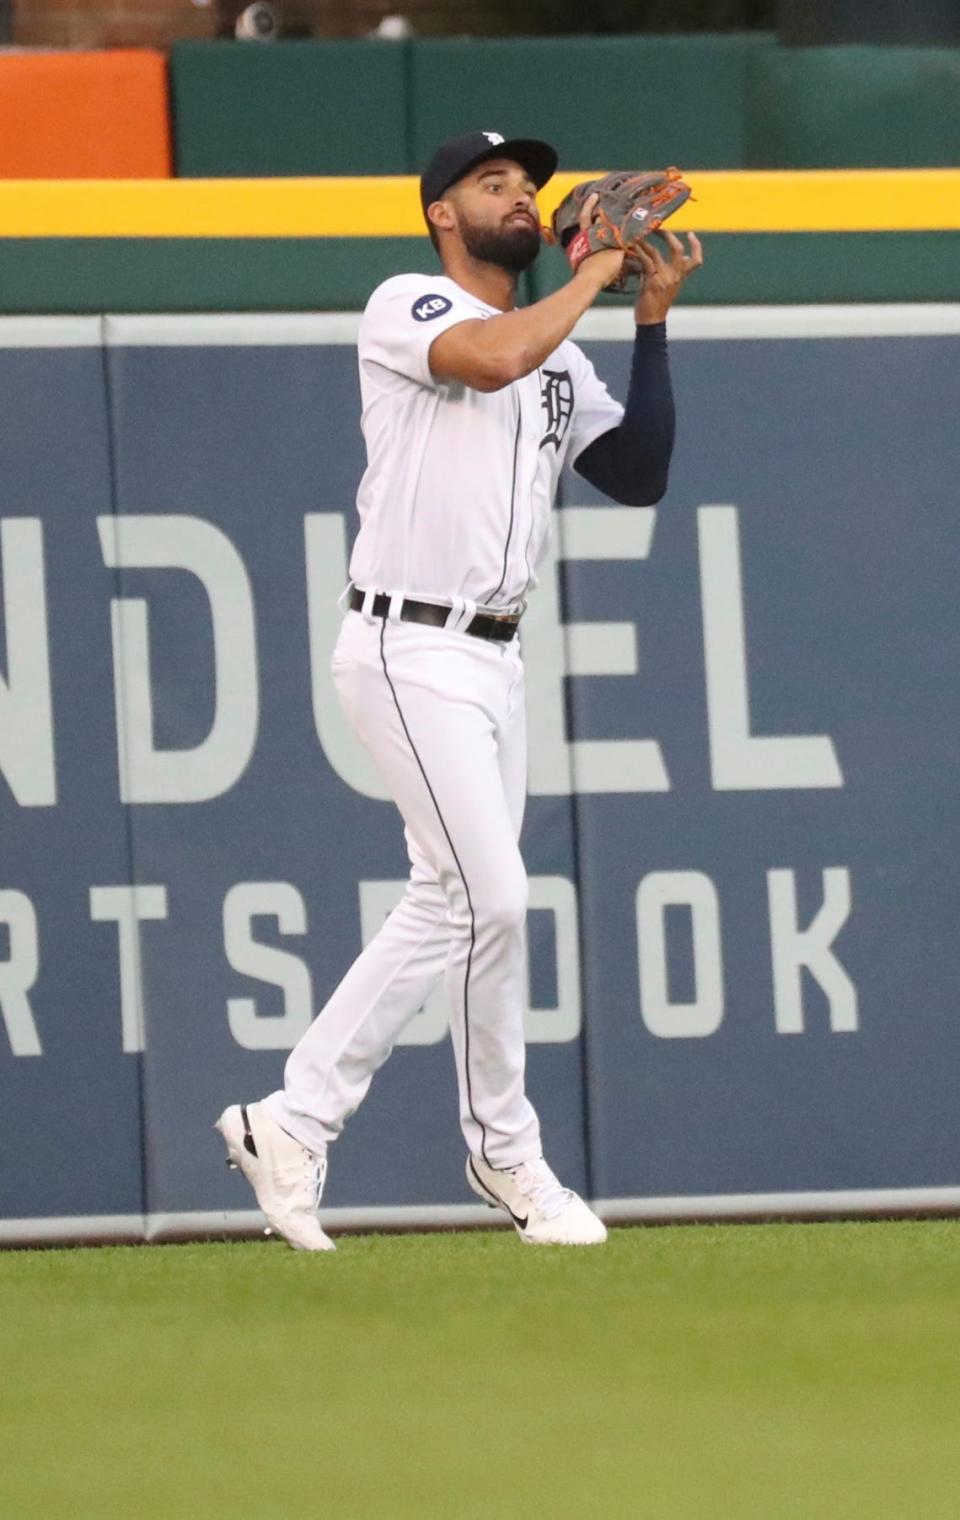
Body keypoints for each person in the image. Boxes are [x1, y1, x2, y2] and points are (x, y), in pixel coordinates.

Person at [217, 130, 702, 1250]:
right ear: (444, 213)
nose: (521, 198)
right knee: (495, 898)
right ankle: (508, 1155)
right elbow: (488, 359)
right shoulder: (412, 305)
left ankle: (291, 1121)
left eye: (529, 187)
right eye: (494, 185)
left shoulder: (561, 349)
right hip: (407, 641)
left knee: (447, 902)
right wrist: (589, 271)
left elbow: (638, 474)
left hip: (494, 657)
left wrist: (649, 317)